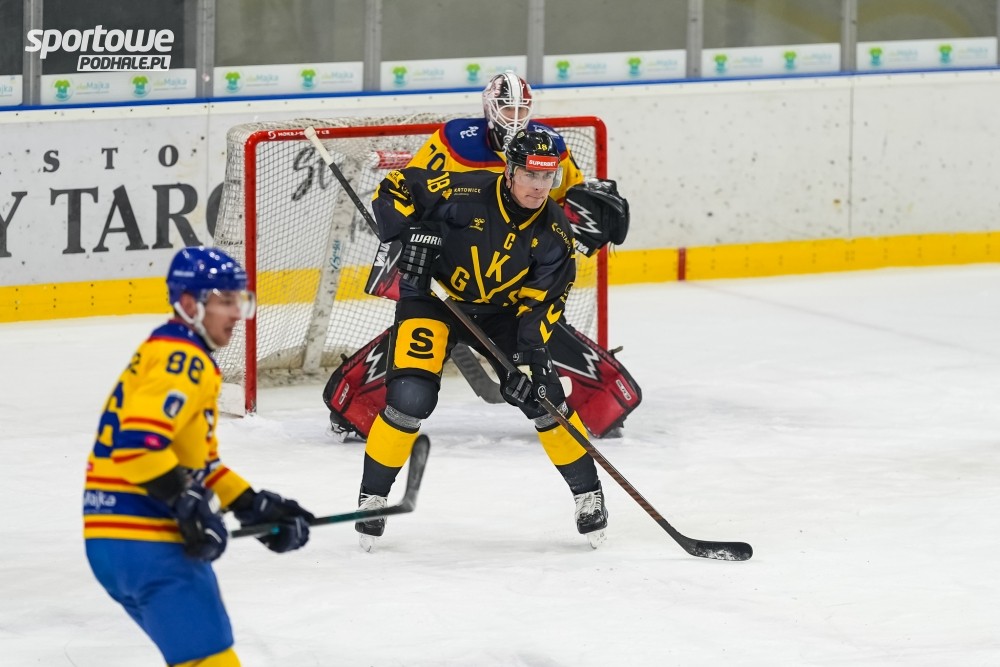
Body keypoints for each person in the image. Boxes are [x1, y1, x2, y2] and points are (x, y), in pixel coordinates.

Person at [354, 129, 609, 552]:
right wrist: (407, 235)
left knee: (543, 396)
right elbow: (396, 187)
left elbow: (542, 304)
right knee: (411, 396)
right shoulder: (463, 190)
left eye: (548, 177)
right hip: (434, 299)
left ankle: (589, 495)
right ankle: (373, 497)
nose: (539, 187)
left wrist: (527, 358)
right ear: (509, 171)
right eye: (530, 175)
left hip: (503, 315)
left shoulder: (555, 233)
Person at [83, 246, 315, 667]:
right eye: (225, 300)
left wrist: (250, 504)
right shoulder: (183, 359)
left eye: (239, 300)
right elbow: (136, 446)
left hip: (115, 543)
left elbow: (199, 465)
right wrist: (184, 501)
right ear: (190, 305)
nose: (237, 313)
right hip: (148, 541)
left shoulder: (172, 352)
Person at [408, 69, 584, 202]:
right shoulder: (454, 139)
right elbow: (411, 185)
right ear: (490, 108)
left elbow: (572, 199)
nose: (515, 117)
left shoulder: (552, 145)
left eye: (521, 109)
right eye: (508, 109)